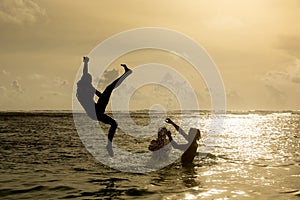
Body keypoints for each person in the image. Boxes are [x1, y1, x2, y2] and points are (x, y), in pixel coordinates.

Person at [76, 56, 132, 157]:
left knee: (114, 124)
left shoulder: (89, 86)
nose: (90, 81)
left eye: (90, 80)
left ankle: (109, 145)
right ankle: (126, 73)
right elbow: (84, 73)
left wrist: (106, 95)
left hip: (97, 111)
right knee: (109, 88)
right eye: (88, 80)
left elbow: (100, 95)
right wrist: (85, 63)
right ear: (84, 81)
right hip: (95, 112)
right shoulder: (82, 89)